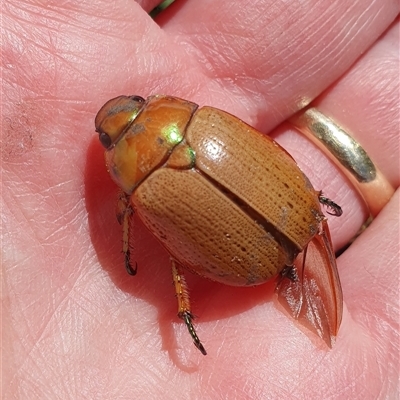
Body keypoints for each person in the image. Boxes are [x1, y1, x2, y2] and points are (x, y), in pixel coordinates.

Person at [2, 1, 399, 398]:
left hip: (263, 241)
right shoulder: (202, 123)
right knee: (179, 245)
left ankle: (186, 308)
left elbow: (259, 153)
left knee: (176, 252)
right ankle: (193, 304)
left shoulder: (139, 192)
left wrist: (127, 239)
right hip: (272, 228)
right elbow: (264, 151)